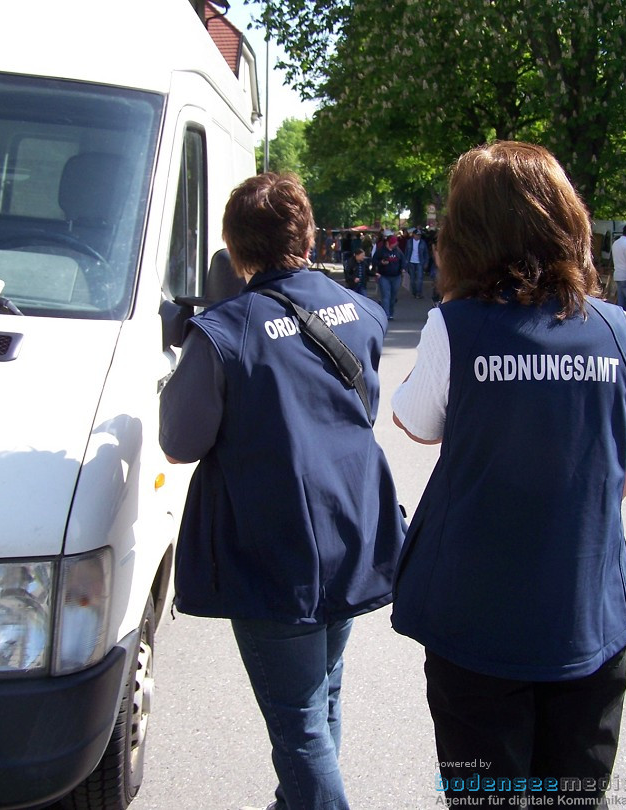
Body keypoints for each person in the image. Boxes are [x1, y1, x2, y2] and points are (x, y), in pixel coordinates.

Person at [390, 141, 626, 810]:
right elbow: (623, 478)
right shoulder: (621, 331)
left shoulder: (455, 327)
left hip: (476, 629)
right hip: (584, 622)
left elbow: (416, 423)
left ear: (468, 233)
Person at [159, 172, 405, 810]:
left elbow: (180, 441)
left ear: (234, 249)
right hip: (354, 525)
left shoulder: (225, 331)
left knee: (299, 724)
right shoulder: (361, 309)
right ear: (309, 234)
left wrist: (190, 345)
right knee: (322, 696)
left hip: (278, 547)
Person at [374, 231, 405, 319]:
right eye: (393, 243)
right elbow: (374, 261)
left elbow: (403, 260)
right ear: (388, 243)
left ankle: (391, 313)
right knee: (386, 295)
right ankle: (386, 314)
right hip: (384, 276)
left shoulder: (398, 251)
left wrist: (403, 268)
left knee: (393, 296)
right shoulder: (381, 251)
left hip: (396, 276)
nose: (395, 245)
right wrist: (381, 262)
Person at [405, 227, 431, 300]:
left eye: (419, 235)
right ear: (413, 235)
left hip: (420, 262)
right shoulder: (409, 242)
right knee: (412, 279)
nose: (418, 236)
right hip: (411, 262)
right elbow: (406, 252)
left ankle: (418, 293)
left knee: (420, 278)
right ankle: (414, 292)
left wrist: (426, 262)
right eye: (417, 235)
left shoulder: (423, 243)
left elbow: (426, 253)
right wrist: (405, 262)